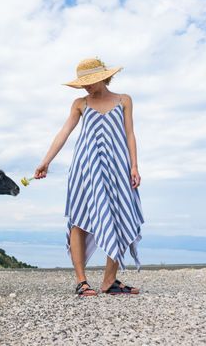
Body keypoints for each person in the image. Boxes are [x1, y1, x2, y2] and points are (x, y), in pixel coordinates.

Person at [34, 57, 144, 296]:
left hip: (118, 167)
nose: (86, 86)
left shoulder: (124, 100)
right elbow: (64, 131)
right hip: (86, 168)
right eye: (83, 82)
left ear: (104, 77)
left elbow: (130, 134)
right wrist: (46, 161)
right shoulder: (79, 103)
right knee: (78, 219)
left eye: (90, 81)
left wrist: (134, 166)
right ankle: (81, 281)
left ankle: (109, 281)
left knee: (120, 213)